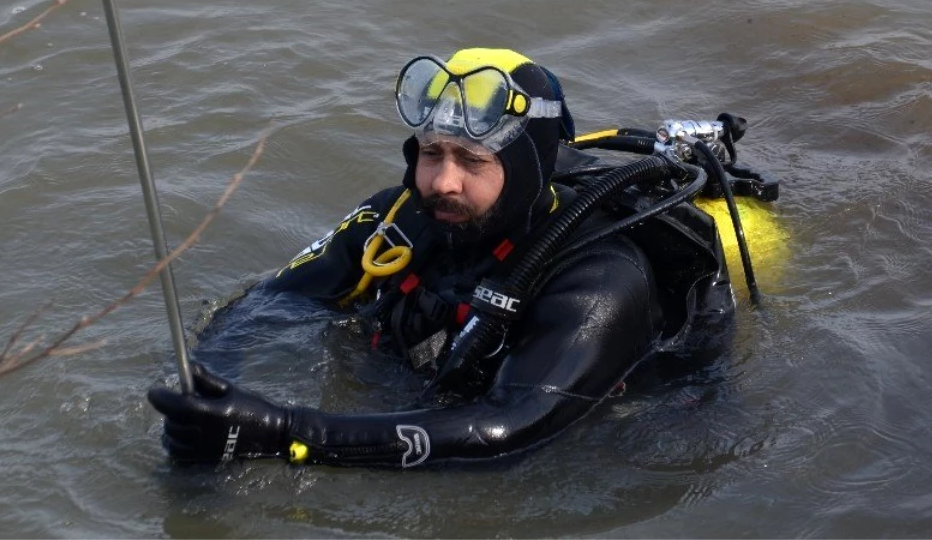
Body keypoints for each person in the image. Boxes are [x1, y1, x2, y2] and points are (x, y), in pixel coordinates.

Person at [148, 47, 737, 468]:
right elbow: (272, 302)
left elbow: (510, 428)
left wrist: (286, 434)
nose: (443, 182)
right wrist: (206, 390)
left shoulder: (600, 278)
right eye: (432, 153)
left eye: (473, 161)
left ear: (531, 167)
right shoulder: (397, 219)